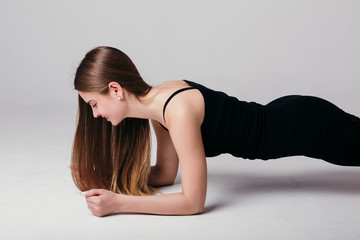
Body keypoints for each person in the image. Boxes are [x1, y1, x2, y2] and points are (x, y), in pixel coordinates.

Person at [72, 46, 360, 217]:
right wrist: (106, 174)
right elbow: (165, 174)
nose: (96, 115)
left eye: (95, 104)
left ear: (115, 89)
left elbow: (193, 202)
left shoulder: (177, 109)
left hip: (307, 127)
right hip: (287, 114)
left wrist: (120, 204)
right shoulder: (159, 111)